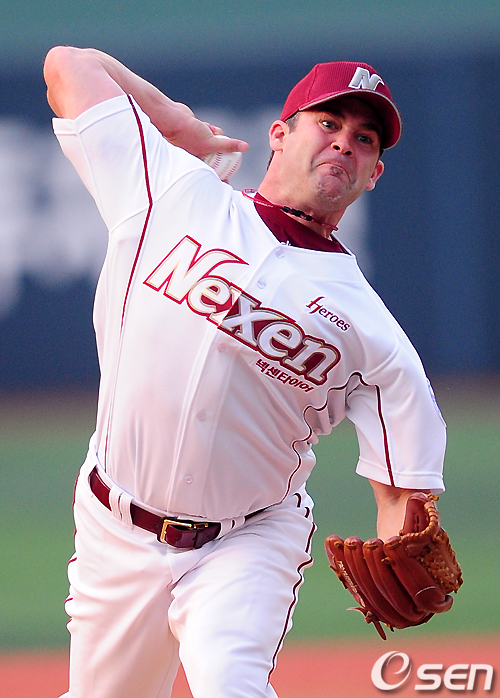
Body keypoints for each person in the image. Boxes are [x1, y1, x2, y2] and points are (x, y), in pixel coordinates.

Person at [43, 48, 447, 698]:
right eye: (329, 123)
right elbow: (68, 66)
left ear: (374, 174)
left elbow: (403, 492)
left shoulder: (373, 331)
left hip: (247, 539)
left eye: (364, 140)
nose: (344, 143)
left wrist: (403, 536)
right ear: (279, 133)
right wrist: (175, 121)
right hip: (114, 527)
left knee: (231, 683)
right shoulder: (171, 190)